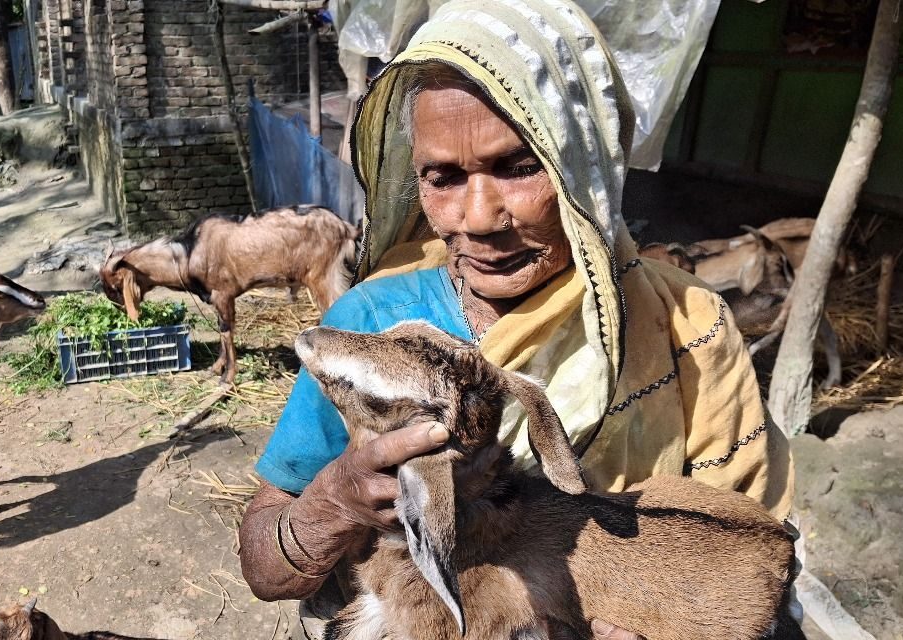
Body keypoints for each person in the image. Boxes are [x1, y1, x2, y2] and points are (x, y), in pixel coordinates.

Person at [238, 1, 795, 638]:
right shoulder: (371, 326)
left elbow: (745, 557)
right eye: (442, 177)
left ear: (586, 162)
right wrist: (337, 503)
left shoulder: (686, 324)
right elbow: (264, 568)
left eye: (519, 166)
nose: (477, 217)